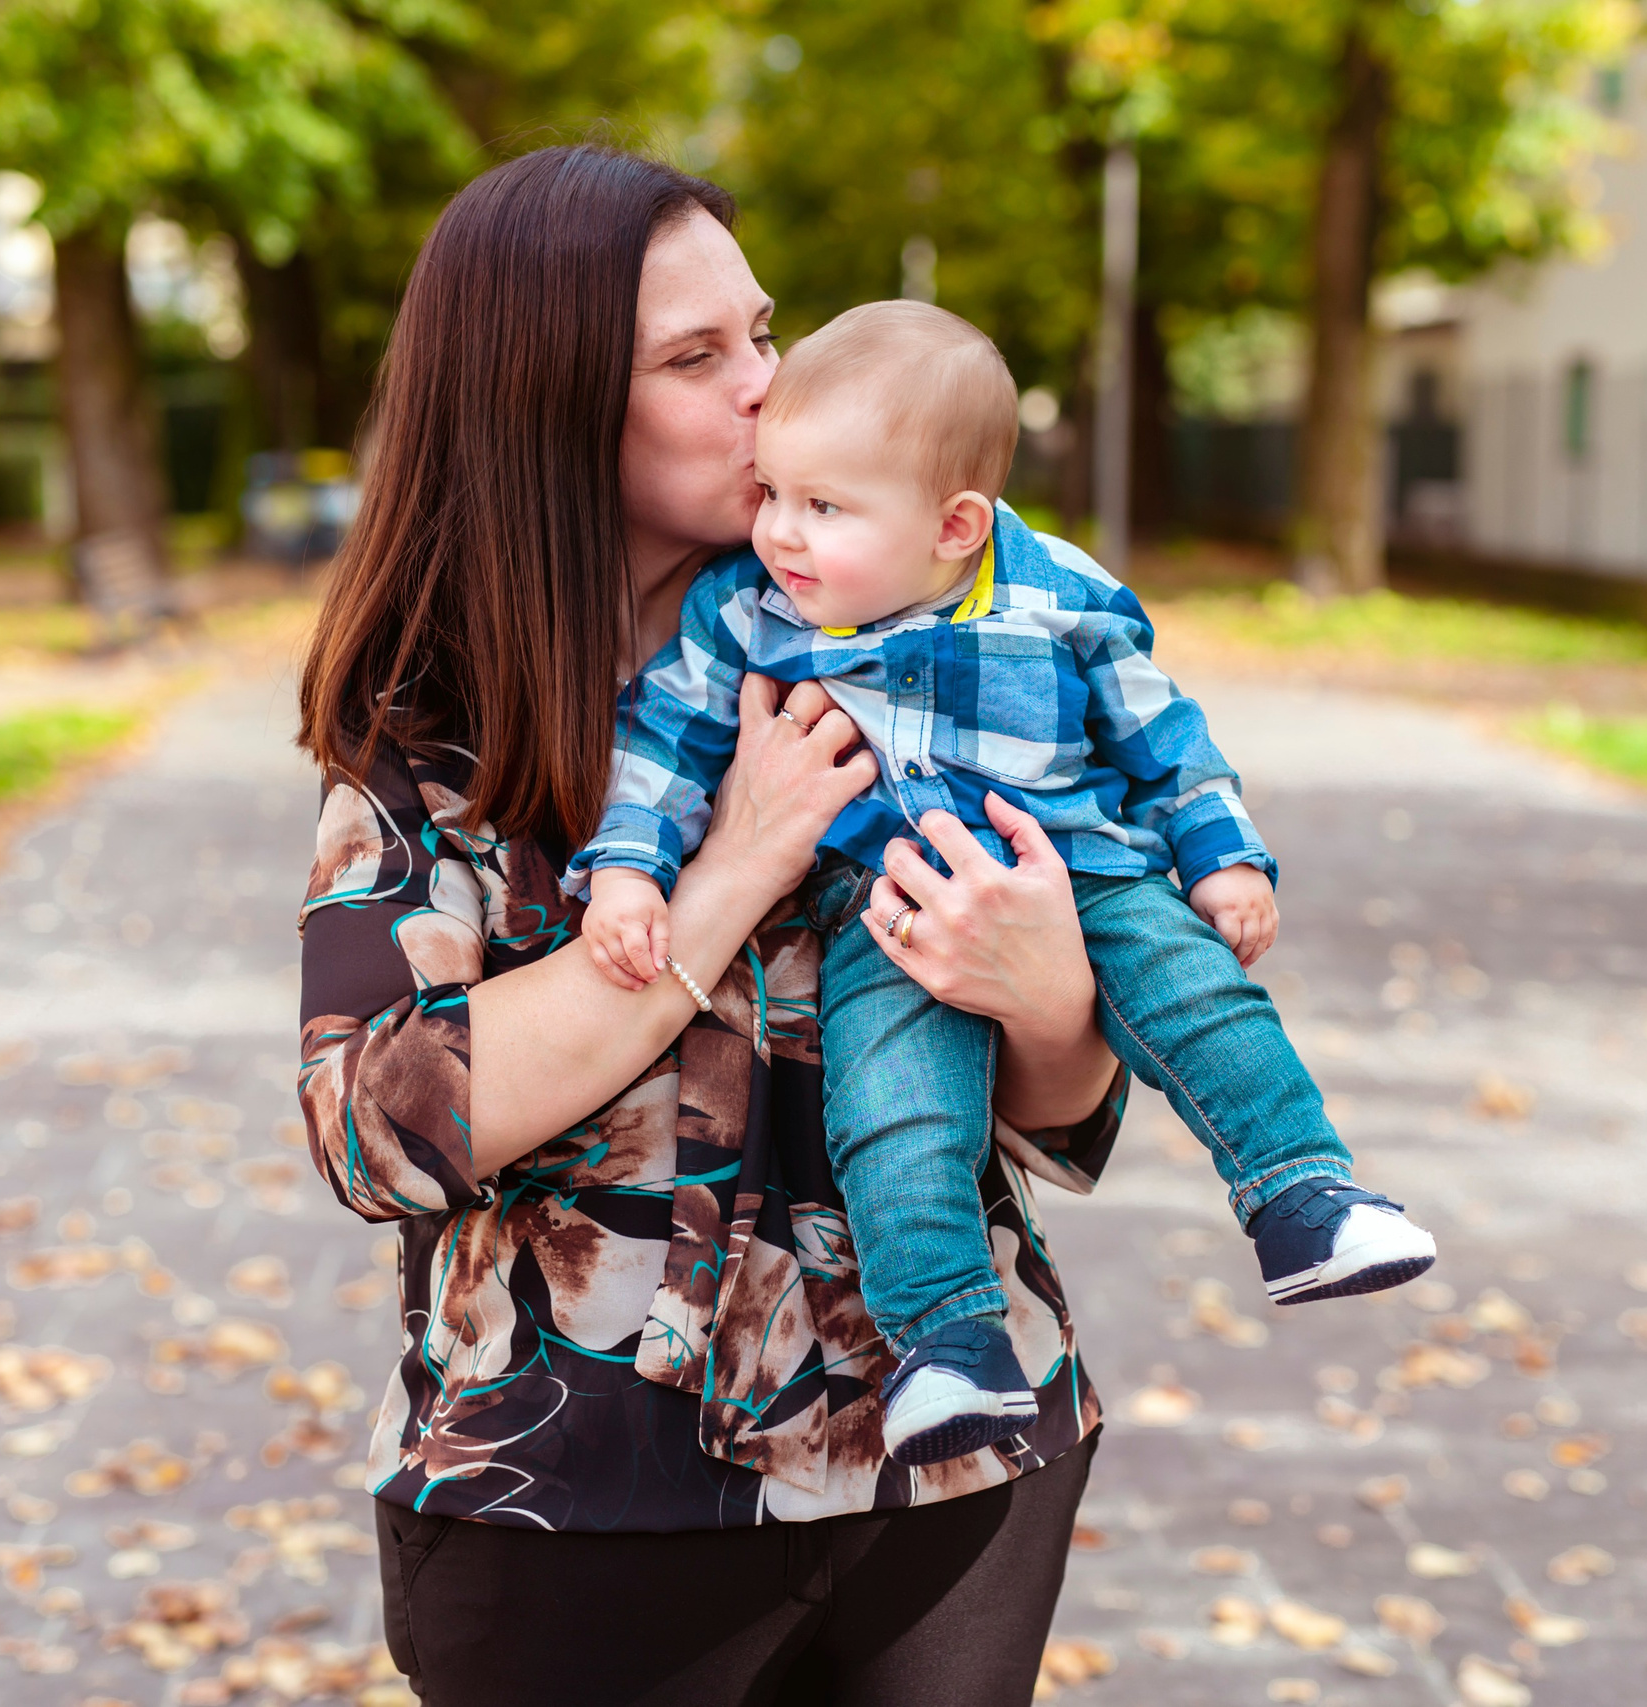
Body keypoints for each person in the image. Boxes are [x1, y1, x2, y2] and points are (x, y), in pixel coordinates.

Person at [294, 147, 1131, 1706]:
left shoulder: (924, 653)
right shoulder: (432, 729)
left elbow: (1067, 1127)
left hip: (952, 1471)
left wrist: (1047, 995)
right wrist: (728, 869)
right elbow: (373, 1132)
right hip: (574, 1502)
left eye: (762, 333)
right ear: (544, 404)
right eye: (697, 358)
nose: (768, 387)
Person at [567, 301, 1438, 1467]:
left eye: (822, 507)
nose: (778, 530)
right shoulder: (747, 614)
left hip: (1091, 871)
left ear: (954, 525)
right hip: (889, 911)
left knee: (1201, 1001)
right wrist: (629, 868)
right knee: (894, 1108)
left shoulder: (1059, 595)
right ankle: (945, 1343)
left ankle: (1301, 1196)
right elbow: (664, 743)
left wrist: (1221, 855)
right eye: (772, 493)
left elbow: (1160, 732)